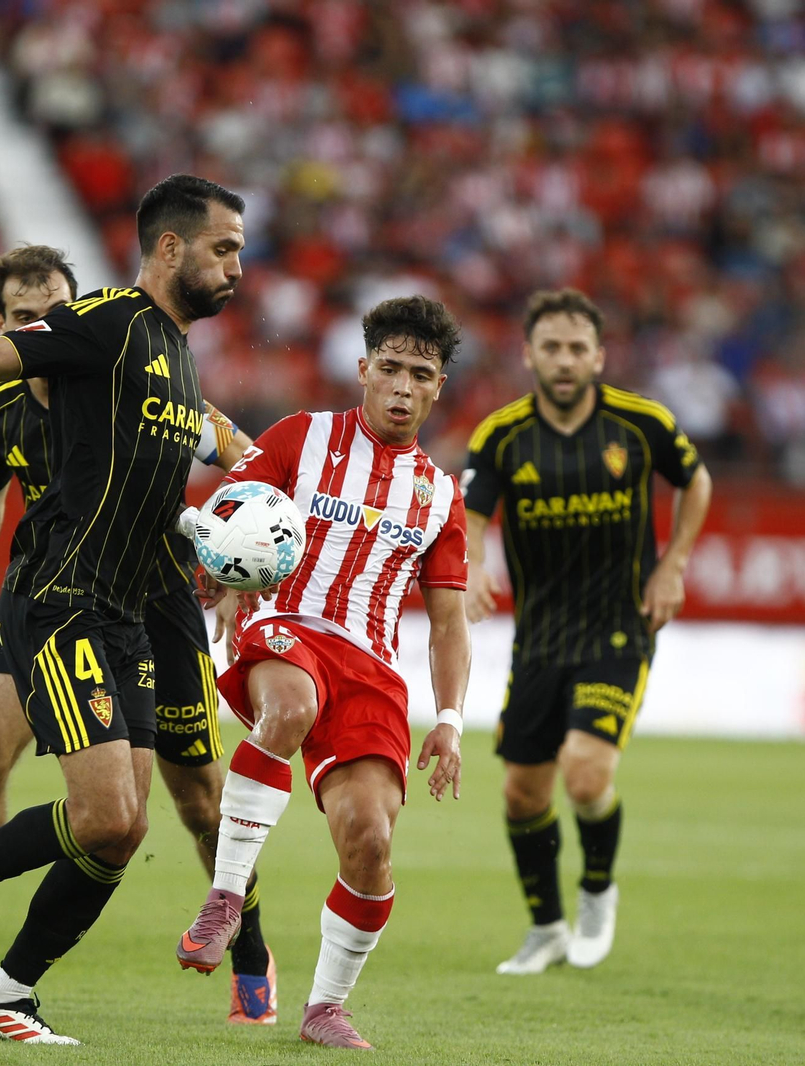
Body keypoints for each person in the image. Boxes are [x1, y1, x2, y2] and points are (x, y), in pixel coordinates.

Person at [0, 174, 246, 1045]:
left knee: (120, 831)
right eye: (224, 247)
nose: (237, 266)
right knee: (100, 813)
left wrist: (218, 555)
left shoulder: (179, 359)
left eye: (241, 253)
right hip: (64, 603)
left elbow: (184, 480)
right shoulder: (107, 320)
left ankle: (6, 993)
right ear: (172, 247)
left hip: (131, 615)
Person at [173, 296, 471, 1051]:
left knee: (370, 842)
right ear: (364, 369)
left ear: (440, 388)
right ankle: (227, 895)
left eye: (422, 375)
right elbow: (226, 513)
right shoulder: (300, 438)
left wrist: (450, 720)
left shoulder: (442, 496)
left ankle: (325, 1008)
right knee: (290, 707)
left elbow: (447, 621)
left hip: (371, 669)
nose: (404, 387)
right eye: (392, 369)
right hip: (287, 629)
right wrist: (233, 577)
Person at [463, 289, 713, 975]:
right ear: (528, 355)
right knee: (522, 795)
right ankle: (546, 928)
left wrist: (673, 565)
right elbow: (472, 513)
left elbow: (696, 483)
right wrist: (473, 563)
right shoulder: (501, 436)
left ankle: (598, 890)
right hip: (539, 640)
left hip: (617, 630)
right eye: (552, 347)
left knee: (585, 770)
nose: (565, 360)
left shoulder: (641, 423)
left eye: (578, 348)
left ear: (599, 356)